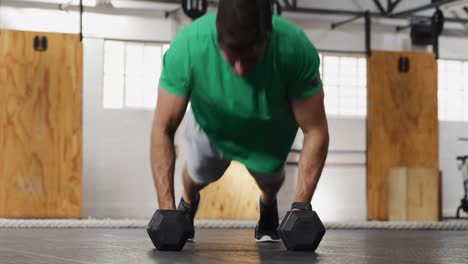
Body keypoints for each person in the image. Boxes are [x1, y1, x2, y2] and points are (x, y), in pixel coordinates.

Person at [150, 0, 329, 242]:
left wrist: (301, 207)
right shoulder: (188, 47)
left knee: (271, 183)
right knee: (196, 175)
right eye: (231, 55)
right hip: (210, 126)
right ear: (217, 34)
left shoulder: (295, 49)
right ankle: (186, 205)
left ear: (268, 37)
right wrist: (166, 210)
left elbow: (315, 130)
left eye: (249, 57)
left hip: (267, 132)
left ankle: (267, 209)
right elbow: (163, 128)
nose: (240, 68)